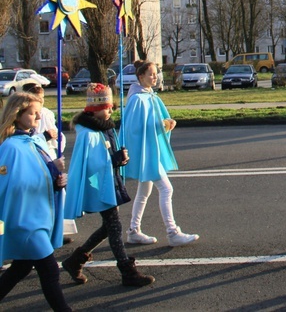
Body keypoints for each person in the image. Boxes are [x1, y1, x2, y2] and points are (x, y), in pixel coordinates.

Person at [62, 83, 155, 287]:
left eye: (112, 106)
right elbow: (91, 163)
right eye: (107, 107)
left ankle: (75, 260)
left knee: (108, 227)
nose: (111, 110)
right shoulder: (87, 132)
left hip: (109, 181)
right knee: (114, 226)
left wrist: (120, 158)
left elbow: (108, 155)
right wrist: (113, 159)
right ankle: (127, 271)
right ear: (96, 110)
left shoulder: (106, 126)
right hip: (98, 185)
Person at [0, 92, 72, 312]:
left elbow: (43, 174)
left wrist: (57, 177)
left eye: (39, 113)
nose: (37, 118)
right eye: (32, 113)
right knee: (50, 269)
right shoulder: (10, 147)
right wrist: (47, 174)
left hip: (40, 215)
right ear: (17, 114)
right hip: (24, 218)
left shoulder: (36, 140)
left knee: (20, 268)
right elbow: (9, 185)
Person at [121, 60, 199, 246]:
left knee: (144, 191)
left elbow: (153, 124)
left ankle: (134, 230)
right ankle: (172, 232)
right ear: (141, 76)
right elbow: (133, 129)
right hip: (147, 153)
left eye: (155, 74)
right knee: (166, 188)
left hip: (150, 151)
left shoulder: (150, 96)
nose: (154, 77)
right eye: (151, 74)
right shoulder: (138, 99)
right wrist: (160, 125)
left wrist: (166, 124)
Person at [22, 79, 77, 244]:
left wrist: (57, 141)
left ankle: (57, 229)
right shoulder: (18, 139)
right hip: (38, 157)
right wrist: (45, 136)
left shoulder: (46, 113)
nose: (38, 114)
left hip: (49, 154)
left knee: (58, 195)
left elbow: (56, 134)